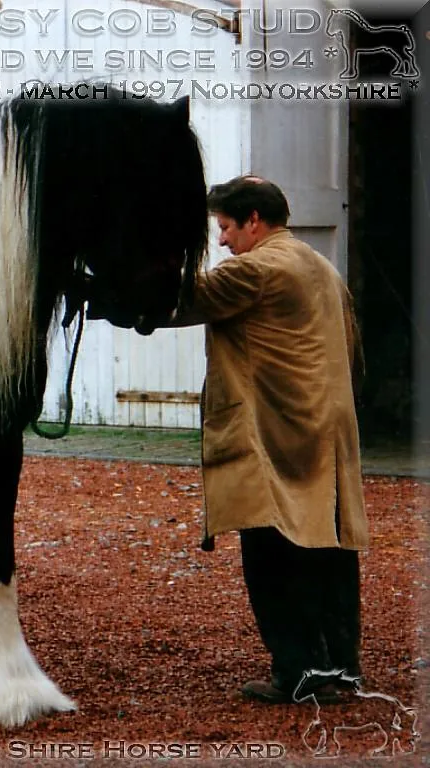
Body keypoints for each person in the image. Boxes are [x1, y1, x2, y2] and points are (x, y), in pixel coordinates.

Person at [156, 175, 368, 703]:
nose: (222, 241)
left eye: (225, 228)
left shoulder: (256, 270)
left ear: (254, 221)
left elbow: (175, 302)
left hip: (277, 435)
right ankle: (340, 668)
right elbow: (354, 352)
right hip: (327, 427)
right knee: (331, 551)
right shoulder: (321, 266)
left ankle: (296, 673)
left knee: (272, 551)